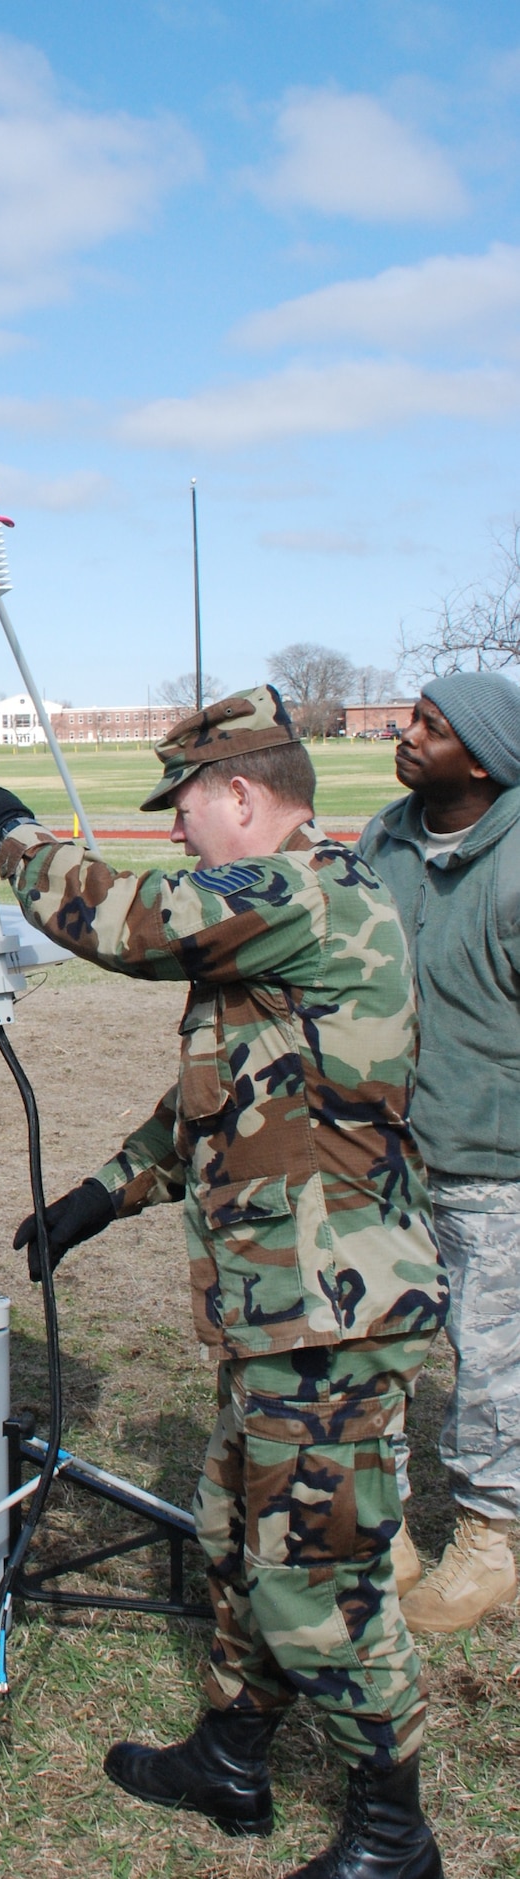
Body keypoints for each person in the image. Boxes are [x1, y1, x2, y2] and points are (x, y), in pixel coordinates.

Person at [0, 687, 449, 1879]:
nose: (179, 833)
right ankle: (231, 1755)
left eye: (187, 809)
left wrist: (11, 835)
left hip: (329, 1319)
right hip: (275, 1312)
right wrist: (100, 1195)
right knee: (235, 1535)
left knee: (313, 1577)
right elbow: (218, 1105)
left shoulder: (305, 894)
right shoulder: (270, 938)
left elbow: (126, 918)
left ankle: (394, 1834)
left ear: (241, 798)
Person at [360, 673, 520, 1634]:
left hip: (494, 1157)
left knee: (493, 1359)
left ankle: (493, 1533)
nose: (406, 735)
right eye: (411, 719)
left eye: (432, 727)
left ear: (486, 755)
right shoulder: (385, 838)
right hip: (383, 1148)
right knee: (376, 1336)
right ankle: (384, 1527)